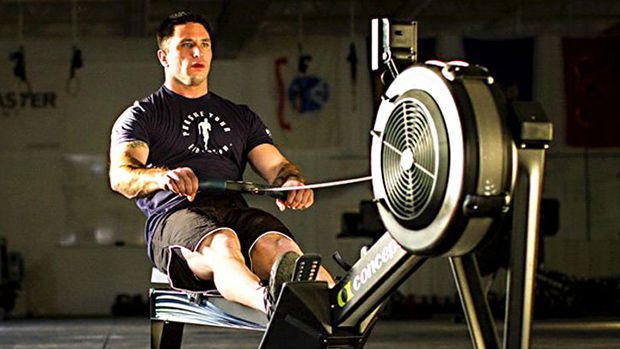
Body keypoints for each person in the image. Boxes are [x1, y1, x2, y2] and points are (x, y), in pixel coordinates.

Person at [108, 12, 334, 317]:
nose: (198, 52)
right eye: (187, 45)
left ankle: (336, 304)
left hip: (233, 209)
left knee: (280, 248)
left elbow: (278, 168)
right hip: (175, 213)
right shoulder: (143, 115)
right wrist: (164, 178)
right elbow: (121, 176)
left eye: (204, 44)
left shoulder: (240, 116)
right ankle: (271, 305)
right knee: (222, 243)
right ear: (164, 56)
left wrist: (291, 183)